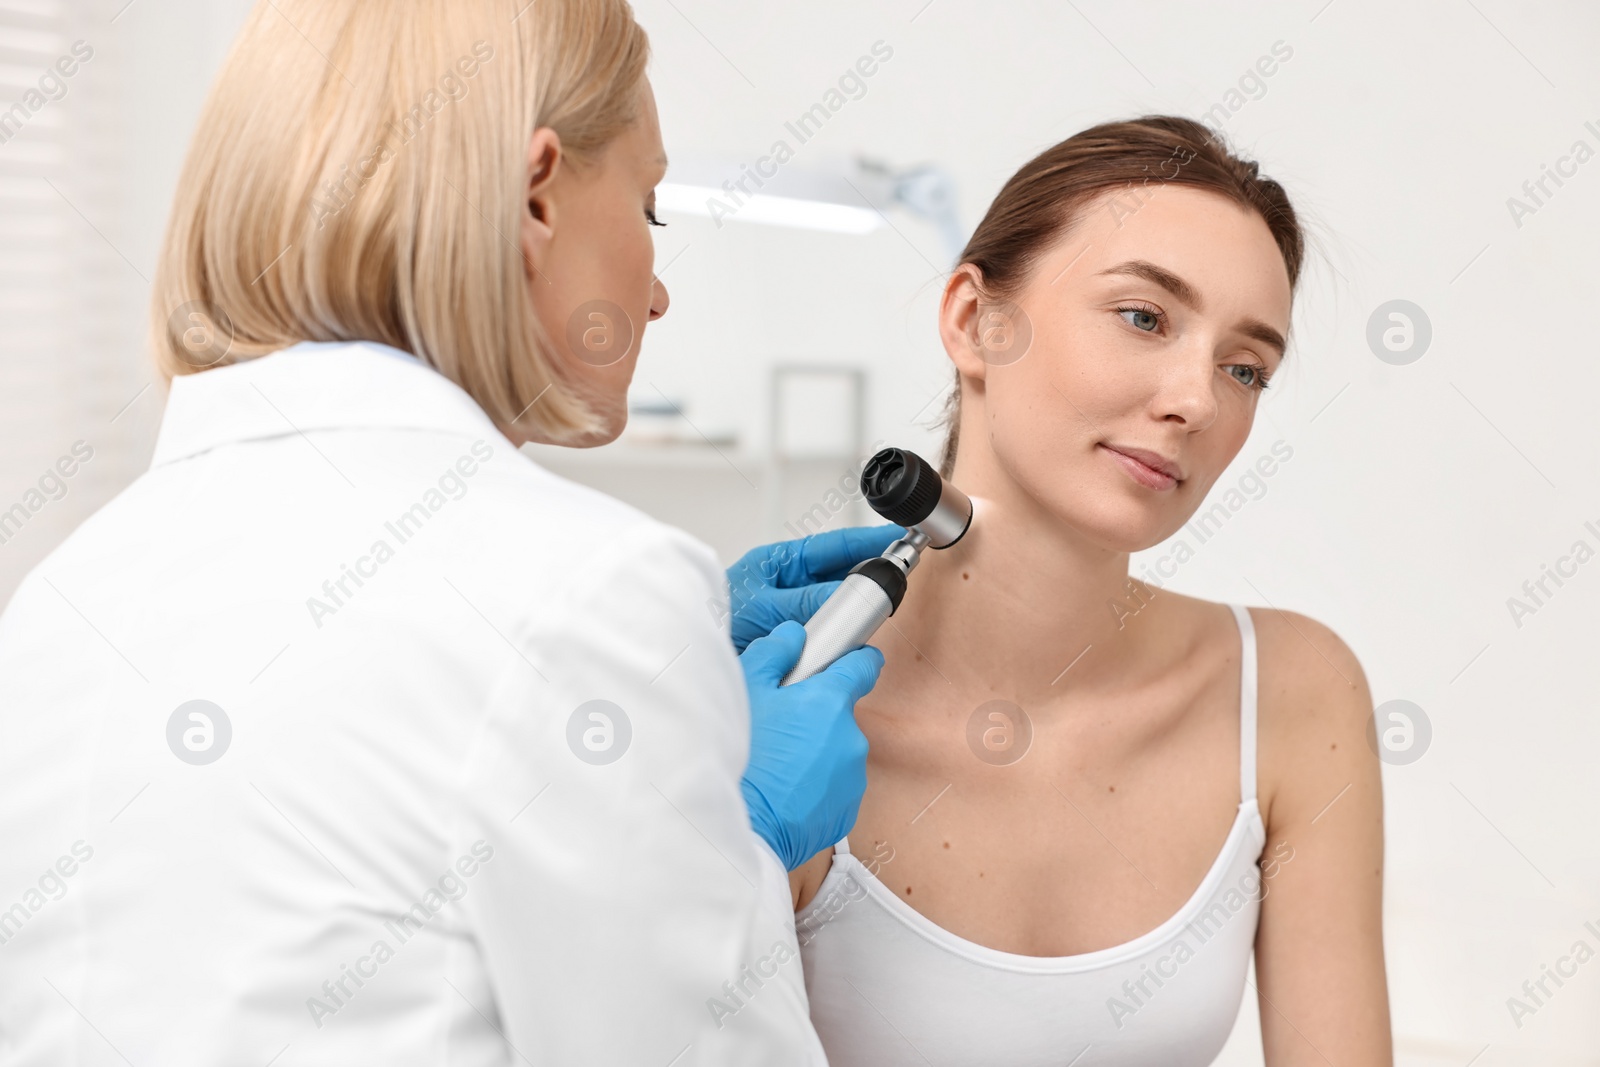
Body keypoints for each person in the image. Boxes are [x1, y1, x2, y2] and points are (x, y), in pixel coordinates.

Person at [0, 1, 893, 1063]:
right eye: (648, 208)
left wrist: (664, 690)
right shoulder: (585, 590)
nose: (655, 291)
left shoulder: (67, 591)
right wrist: (743, 838)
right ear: (534, 193)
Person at [790, 117, 1393, 1065]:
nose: (1196, 400)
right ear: (975, 322)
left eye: (1246, 368)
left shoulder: (1292, 694)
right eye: (1145, 316)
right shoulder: (788, 707)